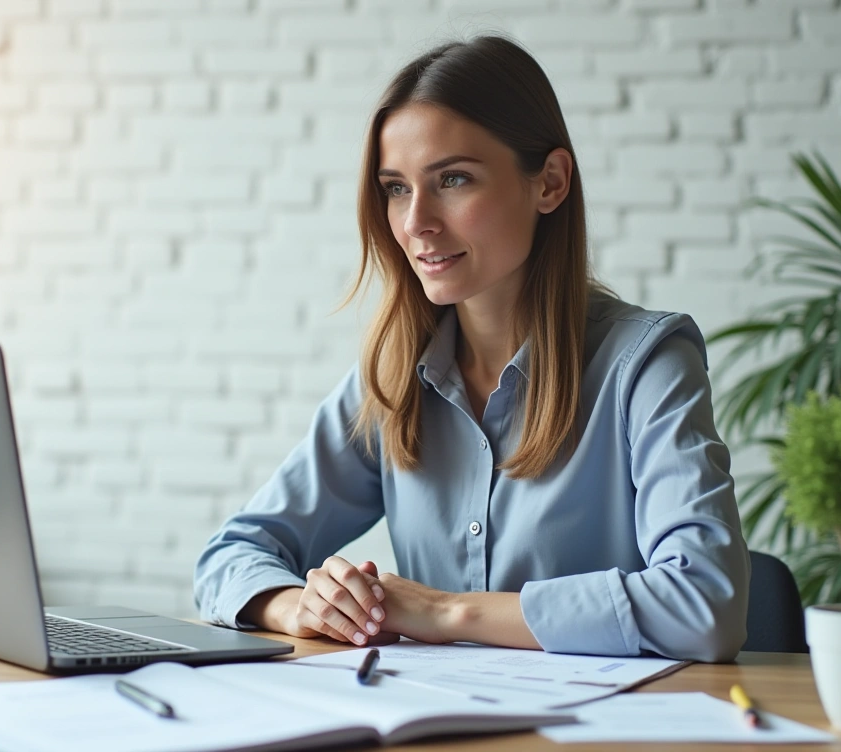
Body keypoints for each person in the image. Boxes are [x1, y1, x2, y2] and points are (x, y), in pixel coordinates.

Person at [193, 35, 750, 663]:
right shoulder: (395, 375)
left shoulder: (646, 364)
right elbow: (229, 557)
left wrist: (443, 611)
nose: (415, 222)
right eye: (396, 187)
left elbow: (706, 606)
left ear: (550, 183)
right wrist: (301, 604)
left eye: (452, 179)